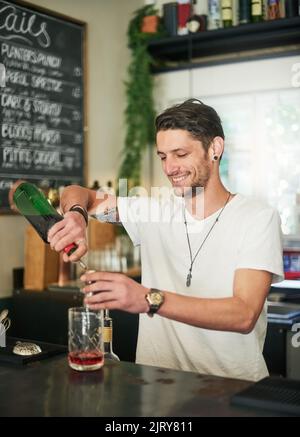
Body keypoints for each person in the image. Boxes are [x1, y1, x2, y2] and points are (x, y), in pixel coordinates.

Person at [48, 99, 283, 381]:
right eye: (162, 156)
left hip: (232, 392)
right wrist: (77, 215)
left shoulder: (257, 217)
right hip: (159, 390)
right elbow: (78, 192)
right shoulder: (152, 211)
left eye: (180, 154)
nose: (169, 168)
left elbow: (243, 314)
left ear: (215, 149)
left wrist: (149, 299)